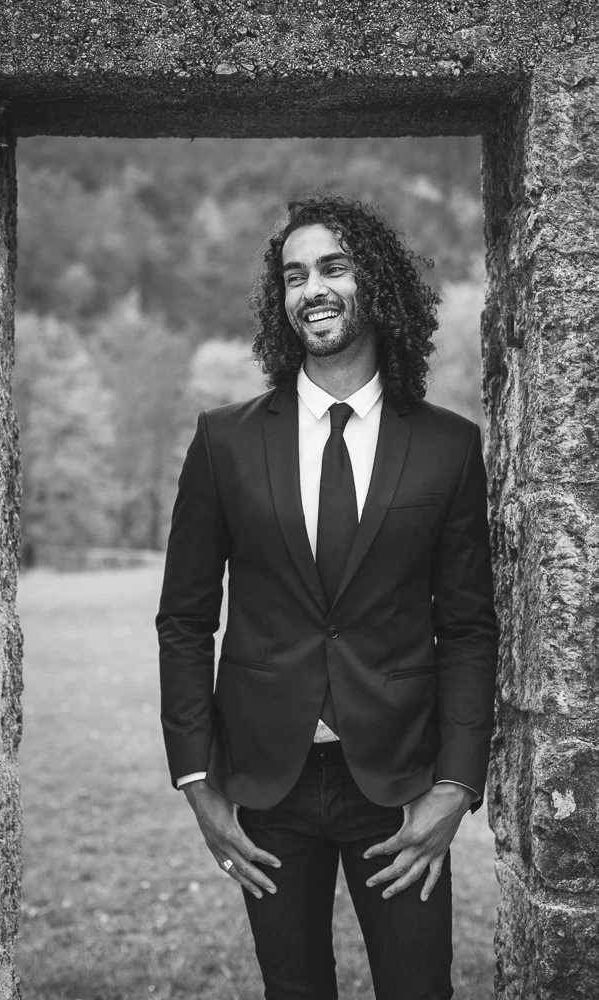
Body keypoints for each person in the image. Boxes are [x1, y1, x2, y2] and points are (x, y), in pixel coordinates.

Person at [156, 195, 499, 1000]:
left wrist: (454, 786)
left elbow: (469, 627)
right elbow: (183, 620)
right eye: (294, 274)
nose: (312, 287)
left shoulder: (448, 446)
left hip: (400, 782)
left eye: (333, 267)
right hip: (264, 786)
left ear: (373, 284)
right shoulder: (225, 440)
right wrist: (195, 784)